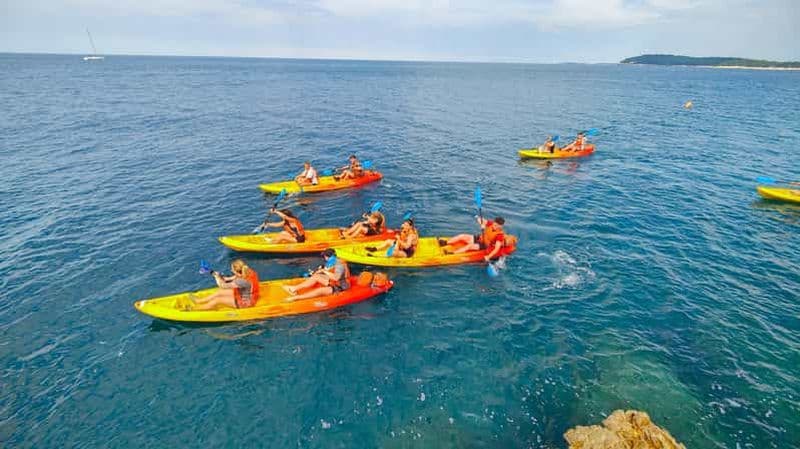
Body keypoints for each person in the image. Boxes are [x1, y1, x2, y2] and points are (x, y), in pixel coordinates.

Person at [187, 259, 260, 311]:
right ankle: (199, 301)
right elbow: (227, 279)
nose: (231, 270)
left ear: (236, 271)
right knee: (219, 292)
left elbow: (222, 285)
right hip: (248, 295)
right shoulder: (247, 272)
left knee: (217, 300)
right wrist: (214, 273)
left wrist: (216, 277)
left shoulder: (241, 281)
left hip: (245, 303)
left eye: (232, 269)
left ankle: (193, 309)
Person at [283, 249, 350, 301]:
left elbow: (336, 278)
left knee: (320, 290)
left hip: (341, 287)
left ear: (327, 257)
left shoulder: (339, 264)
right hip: (336, 283)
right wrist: (316, 273)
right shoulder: (334, 261)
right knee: (316, 276)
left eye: (324, 256)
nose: (324, 258)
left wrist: (324, 271)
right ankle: (294, 289)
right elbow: (330, 272)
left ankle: (297, 298)